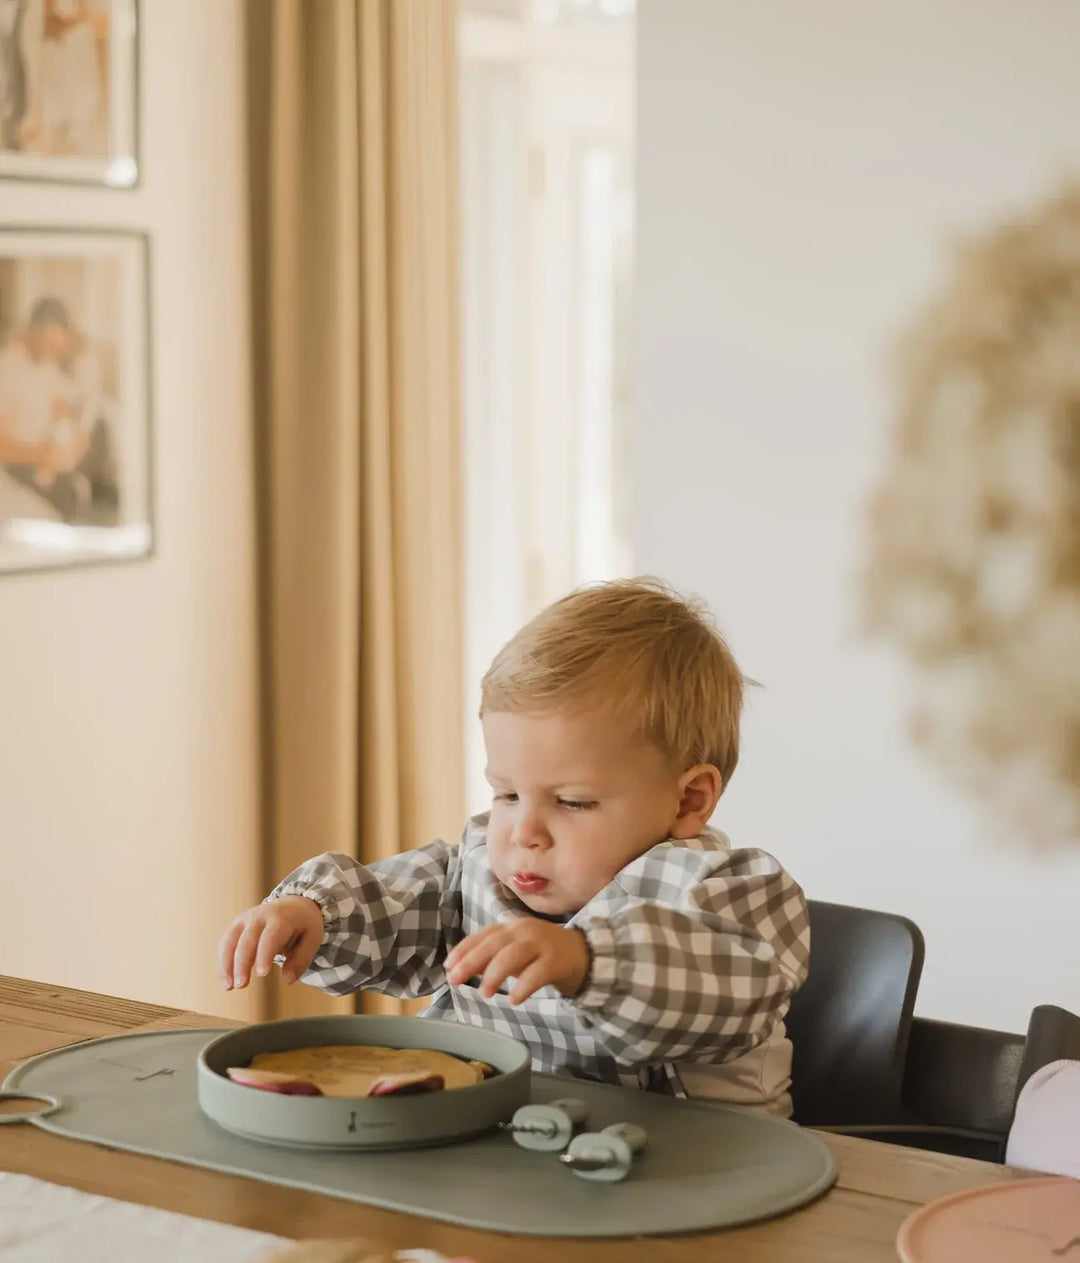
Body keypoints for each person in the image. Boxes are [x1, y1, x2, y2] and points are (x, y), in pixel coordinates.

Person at [218, 579, 810, 1114]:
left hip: (703, 1174)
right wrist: (313, 914)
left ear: (688, 801)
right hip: (512, 1151)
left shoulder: (728, 892)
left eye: (572, 802)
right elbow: (394, 905)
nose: (524, 832)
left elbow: (732, 993)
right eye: (506, 794)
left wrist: (586, 961)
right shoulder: (480, 869)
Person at [0, 294, 118, 524]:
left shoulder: (46, 367)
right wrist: (41, 455)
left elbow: (66, 408)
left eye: (57, 345)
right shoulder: (6, 372)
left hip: (52, 465)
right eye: (49, 343)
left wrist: (75, 434)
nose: (52, 351)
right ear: (33, 330)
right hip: (18, 469)